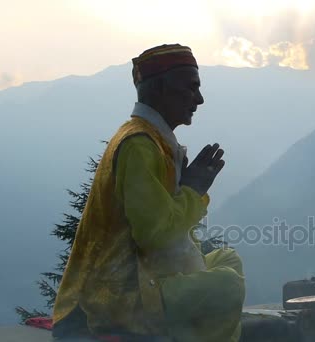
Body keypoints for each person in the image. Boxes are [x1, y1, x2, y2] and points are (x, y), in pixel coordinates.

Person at [52, 44, 245, 342]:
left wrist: (188, 190)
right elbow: (155, 235)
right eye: (191, 88)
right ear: (161, 90)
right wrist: (193, 191)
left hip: (151, 278)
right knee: (228, 284)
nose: (200, 99)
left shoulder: (156, 140)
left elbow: (166, 227)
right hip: (123, 295)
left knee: (228, 260)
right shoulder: (139, 145)